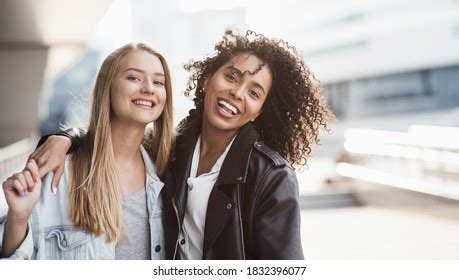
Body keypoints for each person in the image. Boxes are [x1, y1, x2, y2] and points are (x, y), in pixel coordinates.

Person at [23, 30, 332, 259]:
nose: (238, 93)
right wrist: (65, 138)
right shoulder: (173, 148)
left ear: (260, 110)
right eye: (232, 76)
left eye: (254, 93)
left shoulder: (271, 175)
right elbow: (118, 138)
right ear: (209, 77)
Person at [0, 42, 174, 259]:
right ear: (107, 87)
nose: (149, 88)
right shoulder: (60, 173)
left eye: (159, 82)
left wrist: (67, 137)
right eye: (134, 78)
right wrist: (19, 216)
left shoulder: (167, 172)